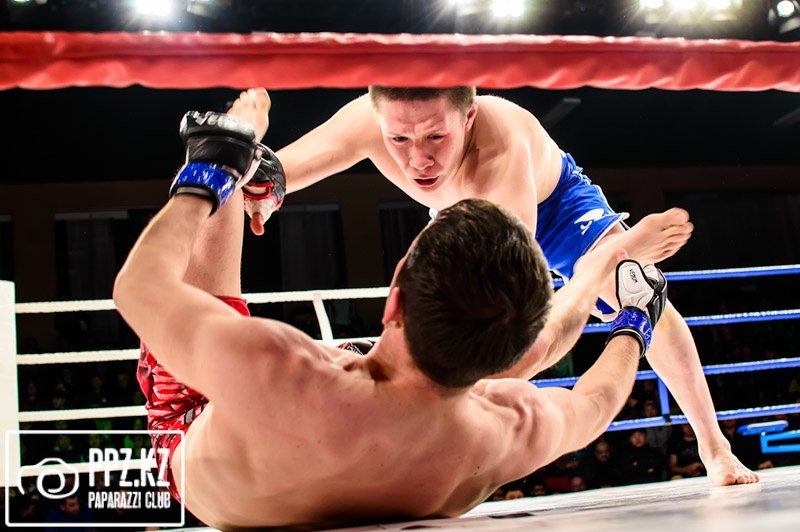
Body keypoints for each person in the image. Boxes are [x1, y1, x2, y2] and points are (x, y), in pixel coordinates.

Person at [114, 102, 674, 529]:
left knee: (216, 286)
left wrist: (209, 173)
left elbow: (140, 289)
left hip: (199, 439)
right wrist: (631, 318)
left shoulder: (281, 370)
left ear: (394, 299)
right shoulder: (503, 433)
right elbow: (593, 403)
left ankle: (228, 158)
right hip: (413, 429)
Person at [235, 86, 757, 486]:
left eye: (436, 136)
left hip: (554, 205)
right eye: (399, 140)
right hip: (463, 212)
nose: (418, 160)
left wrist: (608, 260)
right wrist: (259, 184)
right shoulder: (369, 120)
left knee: (638, 293)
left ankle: (714, 446)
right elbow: (272, 174)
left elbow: (525, 344)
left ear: (468, 117)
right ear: (380, 122)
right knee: (455, 359)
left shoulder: (500, 155)